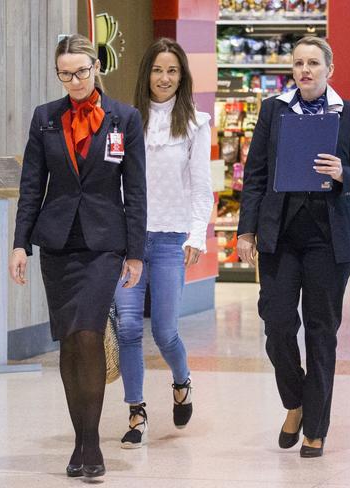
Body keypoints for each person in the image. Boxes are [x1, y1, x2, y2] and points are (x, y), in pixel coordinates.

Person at [236, 36, 350, 458]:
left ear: (328, 69)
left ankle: (316, 427)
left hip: (328, 241)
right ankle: (295, 402)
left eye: (313, 63)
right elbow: (256, 175)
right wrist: (246, 232)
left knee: (322, 333)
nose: (305, 70)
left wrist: (344, 173)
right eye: (298, 63)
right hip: (279, 237)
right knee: (278, 324)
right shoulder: (274, 111)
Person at [9, 34, 146, 478]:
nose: (74, 81)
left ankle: (92, 444)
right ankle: (81, 439)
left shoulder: (125, 118)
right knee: (69, 340)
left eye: (81, 71)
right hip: (58, 244)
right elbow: (32, 185)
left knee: (88, 333)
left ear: (96, 67)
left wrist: (136, 252)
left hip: (105, 243)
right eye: (65, 73)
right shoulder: (45, 118)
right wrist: (20, 243)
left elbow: (137, 190)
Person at [114, 38, 214, 448]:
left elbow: (202, 188)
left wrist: (196, 234)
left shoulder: (195, 123)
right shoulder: (124, 121)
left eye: (172, 70)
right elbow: (112, 183)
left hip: (173, 239)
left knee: (167, 332)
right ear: (147, 74)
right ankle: (136, 413)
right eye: (158, 70)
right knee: (128, 328)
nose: (165, 78)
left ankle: (181, 380)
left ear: (182, 76)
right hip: (129, 242)